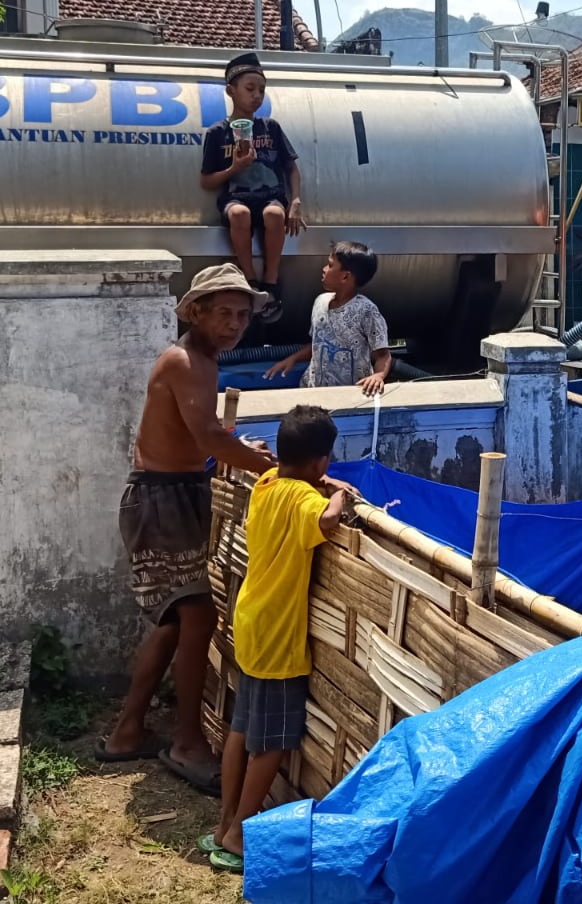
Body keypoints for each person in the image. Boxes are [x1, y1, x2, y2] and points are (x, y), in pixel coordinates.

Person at [96, 264, 277, 793]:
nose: (236, 324)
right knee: (197, 616)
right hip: (161, 500)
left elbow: (205, 434)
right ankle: (188, 742)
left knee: (176, 621)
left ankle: (128, 732)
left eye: (243, 315)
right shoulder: (184, 361)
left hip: (173, 495)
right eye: (224, 312)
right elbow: (206, 437)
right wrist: (266, 466)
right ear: (195, 311)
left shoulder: (201, 359)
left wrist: (237, 448)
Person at [200, 405, 352, 873]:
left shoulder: (265, 486)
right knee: (272, 742)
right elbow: (327, 520)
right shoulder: (303, 501)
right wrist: (341, 495)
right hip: (277, 638)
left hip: (248, 620)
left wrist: (320, 484)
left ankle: (226, 819)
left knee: (242, 728)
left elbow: (290, 480)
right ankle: (242, 832)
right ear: (321, 462)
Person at [200, 52, 303, 323]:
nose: (257, 96)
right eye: (250, 89)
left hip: (270, 195)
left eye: (261, 90)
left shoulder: (270, 128)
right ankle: (249, 280)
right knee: (239, 215)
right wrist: (234, 169)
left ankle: (271, 283)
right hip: (237, 197)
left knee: (275, 215)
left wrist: (295, 201)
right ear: (230, 91)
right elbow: (206, 180)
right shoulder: (217, 132)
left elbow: (291, 167)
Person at [265, 241, 392, 396]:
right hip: (312, 391)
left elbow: (383, 355)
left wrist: (378, 375)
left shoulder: (366, 311)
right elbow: (318, 344)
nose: (324, 269)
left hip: (349, 396)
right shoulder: (320, 301)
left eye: (330, 265)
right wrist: (292, 359)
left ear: (345, 276)